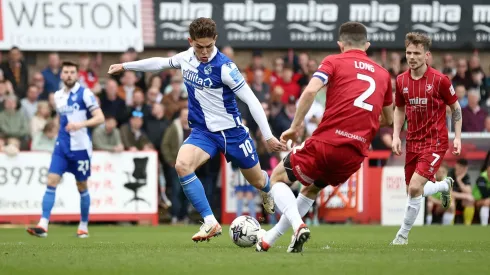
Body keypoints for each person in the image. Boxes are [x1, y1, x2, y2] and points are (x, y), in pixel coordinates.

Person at [108, 17, 283, 242]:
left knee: (257, 180)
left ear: (215, 40)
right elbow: (160, 62)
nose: (204, 52)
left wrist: (267, 136)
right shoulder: (186, 58)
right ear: (190, 41)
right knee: (182, 165)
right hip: (203, 132)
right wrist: (125, 66)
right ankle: (210, 222)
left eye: (209, 46)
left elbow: (252, 101)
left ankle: (267, 187)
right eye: (199, 46)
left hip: (233, 133)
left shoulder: (226, 67)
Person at [255, 22, 393, 253]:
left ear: (340, 45)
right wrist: (360, 124)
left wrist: (294, 127)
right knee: (311, 190)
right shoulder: (383, 74)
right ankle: (270, 238)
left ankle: (299, 225)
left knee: (276, 178)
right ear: (367, 45)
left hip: (327, 142)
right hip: (354, 154)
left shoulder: (334, 61)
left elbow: (310, 91)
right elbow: (387, 119)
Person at [390, 32, 462, 245]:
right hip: (412, 141)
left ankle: (402, 236)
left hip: (436, 141)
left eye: (417, 53)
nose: (412, 57)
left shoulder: (439, 80)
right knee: (412, 191)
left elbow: (455, 108)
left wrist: (457, 137)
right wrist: (396, 135)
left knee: (414, 188)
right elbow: (399, 109)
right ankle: (443, 186)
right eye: (409, 52)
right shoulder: (401, 80)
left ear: (427, 55)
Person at [26, 61, 105, 238]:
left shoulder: (85, 94)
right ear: (61, 75)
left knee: (82, 185)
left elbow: (100, 118)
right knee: (52, 180)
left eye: (72, 72)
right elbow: (63, 119)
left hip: (81, 148)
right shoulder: (57, 96)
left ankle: (83, 225)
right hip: (62, 146)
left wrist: (80, 124)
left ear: (77, 75)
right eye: (66, 72)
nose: (69, 75)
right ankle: (43, 224)